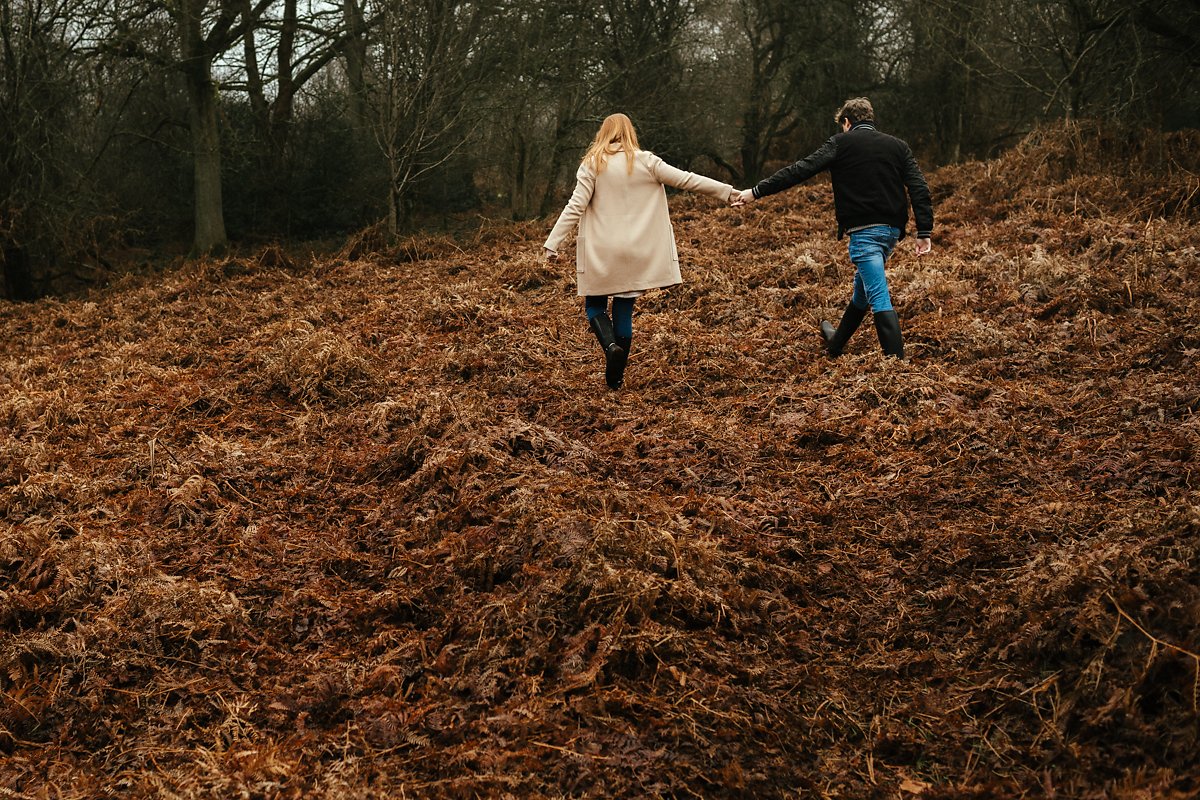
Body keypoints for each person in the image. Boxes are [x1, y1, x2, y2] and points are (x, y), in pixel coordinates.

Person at [544, 113, 739, 389]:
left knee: (594, 305)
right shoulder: (646, 161)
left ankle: (610, 346)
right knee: (624, 310)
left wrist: (553, 242)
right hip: (637, 252)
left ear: (603, 134)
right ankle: (616, 378)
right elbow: (687, 180)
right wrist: (728, 192)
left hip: (602, 251)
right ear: (630, 133)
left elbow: (575, 206)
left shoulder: (593, 164)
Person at [733, 97, 933, 359]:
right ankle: (836, 344)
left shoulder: (841, 143)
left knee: (878, 296)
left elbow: (800, 169)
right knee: (862, 292)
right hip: (892, 232)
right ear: (870, 120)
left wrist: (756, 191)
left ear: (847, 122)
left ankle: (897, 365)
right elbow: (919, 187)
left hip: (865, 234)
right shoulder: (898, 147)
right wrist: (924, 232)